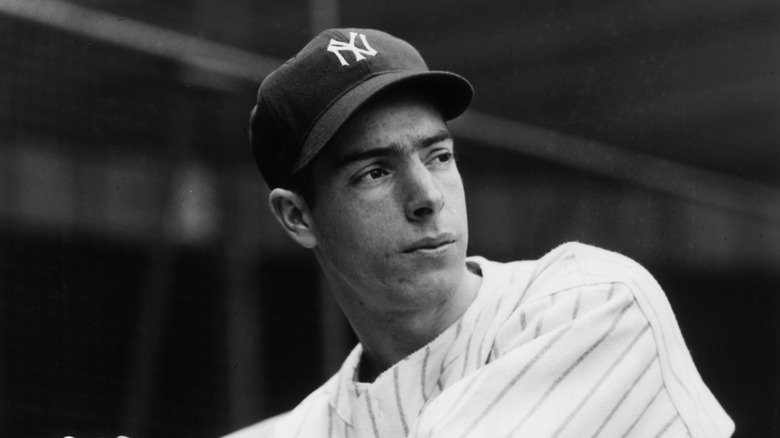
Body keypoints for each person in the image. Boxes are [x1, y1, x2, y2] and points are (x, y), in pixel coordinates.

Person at [225, 28, 734, 437]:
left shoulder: (593, 303)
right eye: (374, 172)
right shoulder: (318, 420)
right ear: (298, 217)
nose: (427, 196)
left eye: (438, 155)